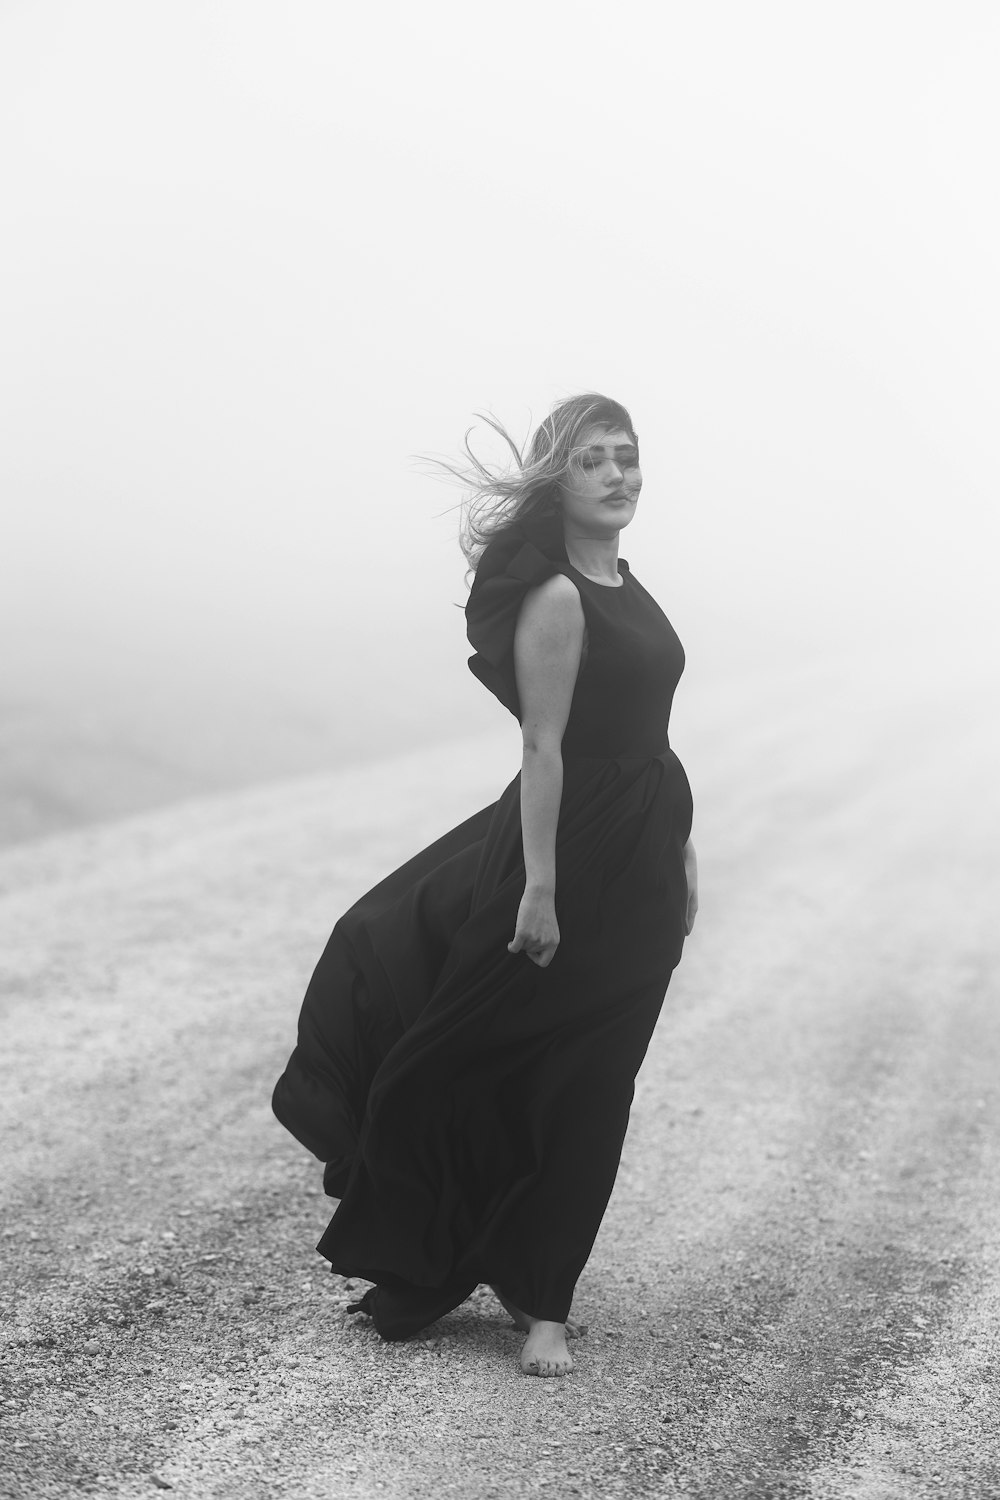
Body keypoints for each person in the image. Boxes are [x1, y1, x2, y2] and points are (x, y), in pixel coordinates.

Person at [272, 392, 697, 1377]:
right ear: (559, 481)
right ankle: (467, 1258)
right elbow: (543, 746)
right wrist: (539, 891)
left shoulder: (628, 582)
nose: (616, 474)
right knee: (471, 1052)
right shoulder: (558, 596)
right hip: (571, 850)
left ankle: (544, 1297)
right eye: (592, 460)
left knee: (597, 1080)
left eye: (626, 456)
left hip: (642, 853)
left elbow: (652, 736)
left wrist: (683, 849)